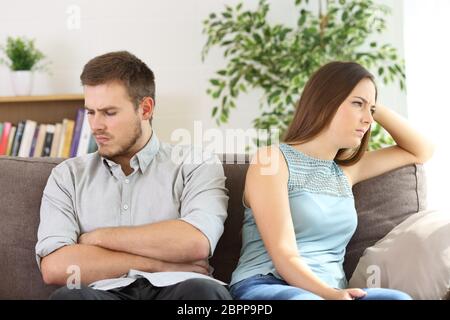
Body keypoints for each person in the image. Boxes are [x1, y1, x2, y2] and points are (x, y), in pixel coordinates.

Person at [229, 61, 435, 300]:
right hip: (268, 283)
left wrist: (372, 106)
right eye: (357, 103)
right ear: (324, 103)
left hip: (334, 291)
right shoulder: (272, 160)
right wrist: (329, 295)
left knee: (398, 299)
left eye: (371, 110)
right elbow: (284, 254)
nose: (368, 120)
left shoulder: (347, 171)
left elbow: (422, 150)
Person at [36, 51, 232, 300]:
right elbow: (55, 267)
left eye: (109, 112)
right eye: (91, 112)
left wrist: (96, 238)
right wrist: (159, 265)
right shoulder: (67, 177)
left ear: (146, 109)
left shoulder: (195, 163)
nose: (96, 125)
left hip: (179, 290)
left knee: (206, 293)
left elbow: (195, 242)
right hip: (102, 292)